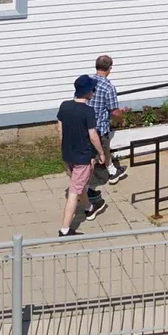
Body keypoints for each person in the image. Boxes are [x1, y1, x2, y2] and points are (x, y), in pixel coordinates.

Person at [55, 77, 106, 236]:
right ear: (88, 92)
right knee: (73, 192)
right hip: (82, 158)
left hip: (68, 155)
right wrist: (101, 153)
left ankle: (89, 209)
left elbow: (60, 130)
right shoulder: (87, 111)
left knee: (78, 184)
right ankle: (65, 230)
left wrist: (63, 149)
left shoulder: (64, 106)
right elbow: (93, 136)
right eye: (92, 89)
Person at [89, 55, 126, 186]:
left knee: (98, 151)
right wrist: (121, 121)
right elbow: (114, 111)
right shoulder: (108, 87)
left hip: (84, 124)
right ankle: (87, 185)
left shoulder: (87, 81)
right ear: (109, 68)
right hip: (99, 127)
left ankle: (110, 170)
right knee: (100, 151)